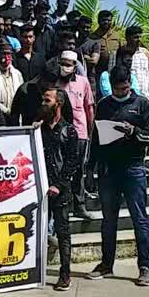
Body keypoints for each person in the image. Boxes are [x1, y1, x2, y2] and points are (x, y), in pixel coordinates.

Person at [87, 65, 149, 286]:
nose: (121, 92)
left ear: (130, 84)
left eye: (124, 88)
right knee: (108, 220)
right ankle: (107, 263)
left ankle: (144, 266)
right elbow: (95, 139)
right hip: (108, 169)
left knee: (139, 218)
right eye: (117, 89)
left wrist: (134, 132)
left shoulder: (141, 103)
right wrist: (90, 169)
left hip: (133, 168)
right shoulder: (104, 105)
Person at [37, 87, 78, 291]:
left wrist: (58, 185)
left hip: (59, 190)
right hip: (40, 190)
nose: (43, 104)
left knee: (62, 232)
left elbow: (72, 162)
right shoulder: (38, 129)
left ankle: (65, 274)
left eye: (47, 100)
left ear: (58, 104)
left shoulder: (69, 131)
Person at [56, 50, 95, 220]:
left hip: (80, 132)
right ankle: (62, 205)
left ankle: (79, 205)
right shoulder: (54, 82)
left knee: (78, 169)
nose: (65, 67)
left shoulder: (83, 82)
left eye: (68, 64)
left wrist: (89, 131)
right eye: (62, 63)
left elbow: (89, 107)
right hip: (59, 132)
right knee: (59, 168)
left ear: (74, 66)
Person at [109, 26, 149, 105]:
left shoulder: (146, 53)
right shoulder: (117, 53)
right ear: (127, 38)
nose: (139, 40)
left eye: (140, 37)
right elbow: (110, 74)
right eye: (135, 37)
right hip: (123, 97)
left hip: (145, 96)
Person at [0, 44, 24, 114]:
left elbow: (21, 94)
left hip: (15, 114)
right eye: (3, 54)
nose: (6, 57)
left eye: (9, 54)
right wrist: (5, 110)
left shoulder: (17, 74)